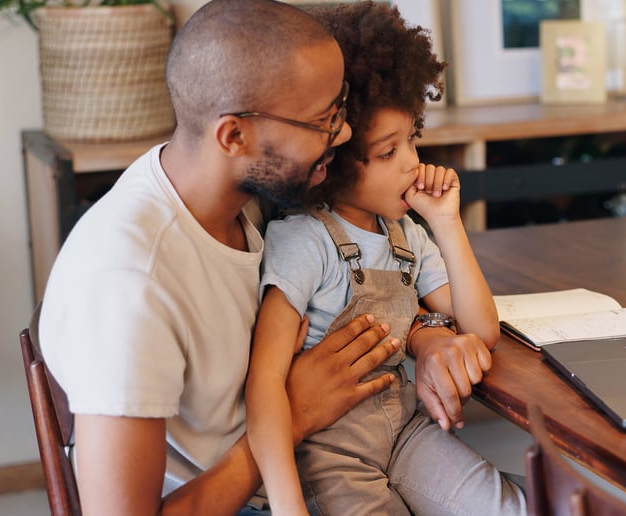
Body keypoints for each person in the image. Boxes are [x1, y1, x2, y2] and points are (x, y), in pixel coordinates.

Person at [37, 1, 415, 513]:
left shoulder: (249, 196)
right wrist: (294, 414)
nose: (344, 133)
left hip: (320, 458)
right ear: (234, 136)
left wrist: (430, 331)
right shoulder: (129, 283)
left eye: (340, 106)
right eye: (323, 120)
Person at [246, 2, 526, 514]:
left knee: (512, 505)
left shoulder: (407, 234)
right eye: (388, 152)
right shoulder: (304, 241)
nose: (413, 164)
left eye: (412, 139)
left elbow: (481, 328)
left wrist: (447, 222)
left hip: (404, 433)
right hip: (328, 454)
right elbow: (264, 380)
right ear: (331, 161)